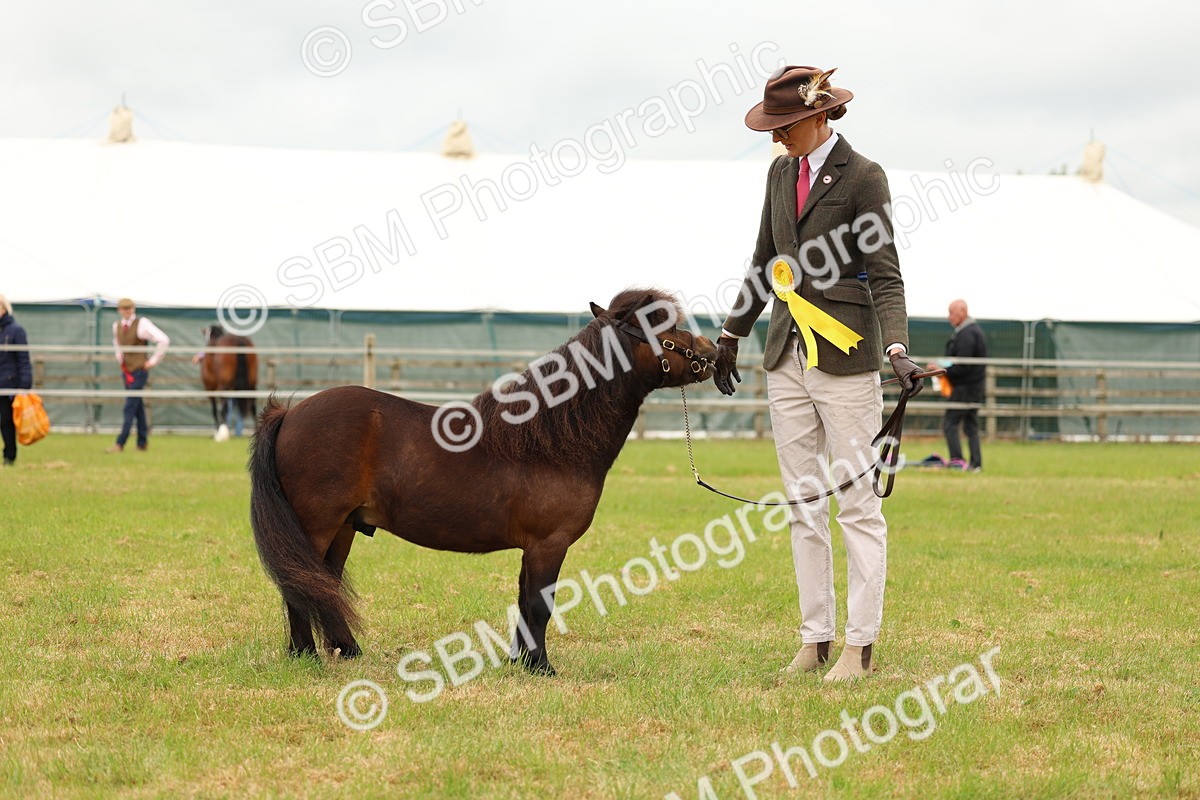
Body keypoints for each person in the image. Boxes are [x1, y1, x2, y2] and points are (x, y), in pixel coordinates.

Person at [712, 66, 923, 682]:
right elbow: (763, 261)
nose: (776, 139)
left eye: (784, 127)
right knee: (803, 502)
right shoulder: (779, 174)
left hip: (847, 354)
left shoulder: (864, 177)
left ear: (817, 116)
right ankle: (815, 639)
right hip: (785, 356)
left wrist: (899, 346)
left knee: (856, 504)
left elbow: (884, 271)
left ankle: (861, 645)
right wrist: (732, 333)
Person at [929, 299, 986, 471]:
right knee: (971, 426)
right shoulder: (970, 331)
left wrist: (941, 370)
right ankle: (975, 464)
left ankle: (957, 461)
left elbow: (963, 365)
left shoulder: (967, 334)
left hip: (965, 388)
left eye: (951, 313)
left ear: (962, 312)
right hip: (974, 387)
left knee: (950, 423)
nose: (949, 317)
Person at [107, 298, 170, 453]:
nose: (127, 311)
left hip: (139, 371)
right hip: (126, 371)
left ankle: (120, 443)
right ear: (119, 310)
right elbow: (117, 345)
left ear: (133, 308)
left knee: (129, 406)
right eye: (124, 308)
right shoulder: (117, 326)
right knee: (138, 406)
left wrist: (153, 361)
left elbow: (163, 340)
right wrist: (120, 360)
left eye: (129, 308)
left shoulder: (142, 324)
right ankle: (142, 442)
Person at [0, 294, 33, 466]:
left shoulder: (15, 331)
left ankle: (9, 456)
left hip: (8, 385)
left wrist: (24, 385)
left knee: (6, 423)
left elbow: (23, 359)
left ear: (3, 309)